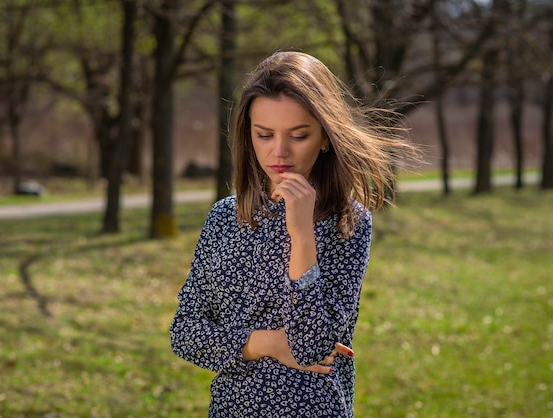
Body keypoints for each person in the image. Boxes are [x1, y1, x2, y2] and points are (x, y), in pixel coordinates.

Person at [170, 50, 415, 417]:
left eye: (298, 135)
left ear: (325, 138)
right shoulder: (225, 218)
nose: (279, 152)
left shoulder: (348, 222)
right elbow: (185, 334)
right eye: (264, 135)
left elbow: (311, 346)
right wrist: (265, 342)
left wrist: (301, 235)